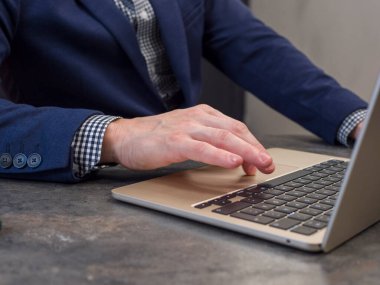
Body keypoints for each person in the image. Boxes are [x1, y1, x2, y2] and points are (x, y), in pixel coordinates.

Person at [0, 0, 367, 182]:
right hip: (76, 190)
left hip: (189, 176)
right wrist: (117, 135)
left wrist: (358, 121)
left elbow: (249, 43)